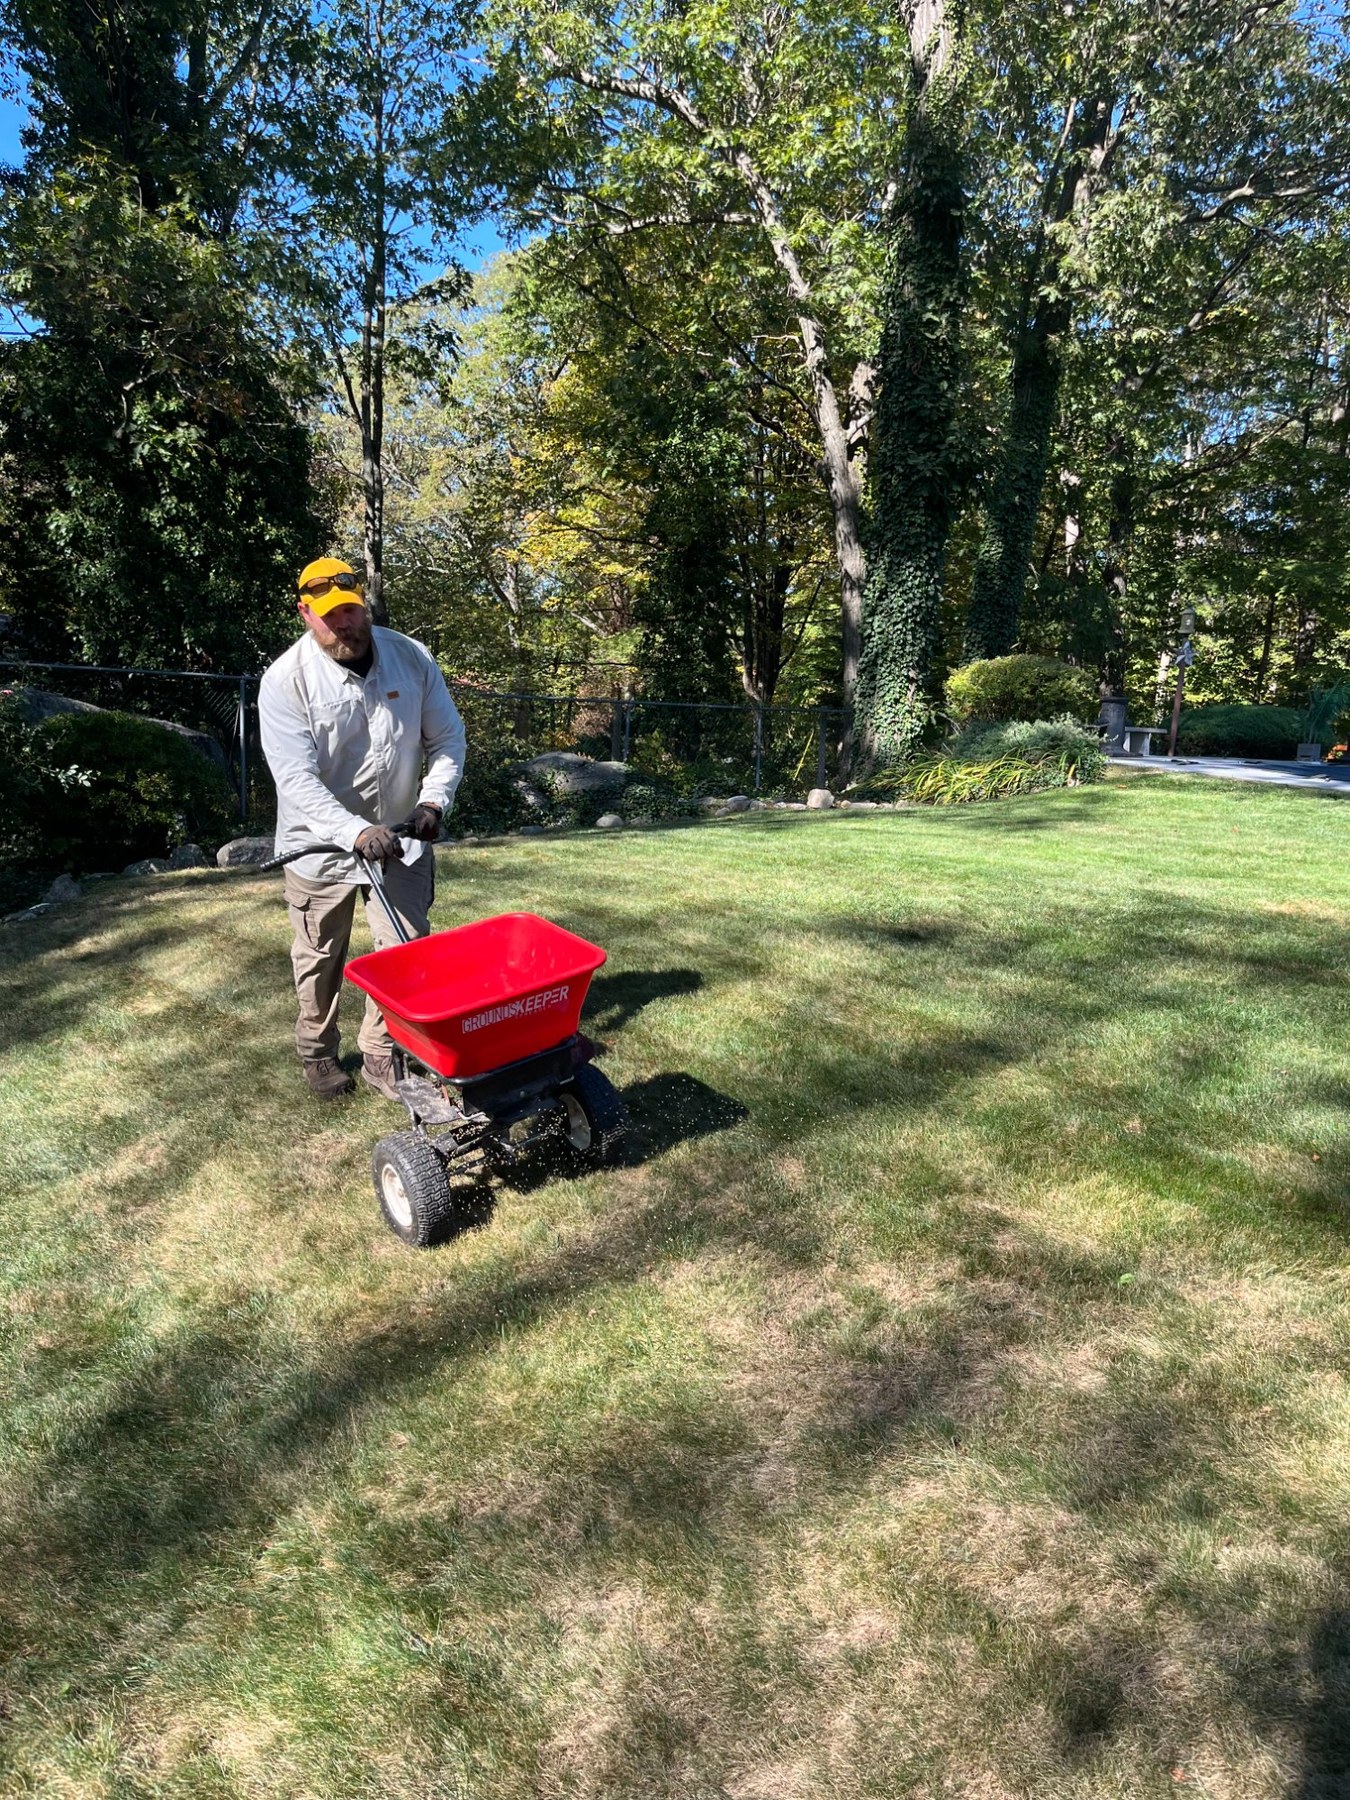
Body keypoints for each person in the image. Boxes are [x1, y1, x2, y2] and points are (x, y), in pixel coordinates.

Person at [258, 556, 466, 1100]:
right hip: (318, 847)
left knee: (402, 950)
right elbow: (296, 779)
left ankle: (380, 1053)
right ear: (305, 613)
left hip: (399, 839)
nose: (343, 623)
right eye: (329, 615)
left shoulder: (411, 658)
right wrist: (353, 830)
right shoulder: (285, 681)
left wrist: (433, 803)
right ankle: (318, 1053)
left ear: (365, 603)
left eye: (350, 610)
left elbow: (447, 740)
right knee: (319, 956)